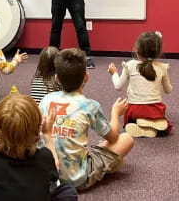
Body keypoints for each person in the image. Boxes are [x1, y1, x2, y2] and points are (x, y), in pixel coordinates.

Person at [39, 48, 134, 189]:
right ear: (86, 76)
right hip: (77, 179)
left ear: (57, 79)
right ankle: (105, 166)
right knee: (127, 139)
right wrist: (115, 113)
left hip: (46, 176)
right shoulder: (89, 106)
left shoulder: (46, 99)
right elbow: (113, 137)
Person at [0, 94, 78, 201]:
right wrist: (47, 135)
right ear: (37, 130)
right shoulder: (45, 156)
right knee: (68, 191)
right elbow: (55, 170)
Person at [108, 31, 173, 138]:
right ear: (158, 51)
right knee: (161, 119)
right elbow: (168, 90)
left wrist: (114, 73)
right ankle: (152, 125)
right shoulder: (162, 67)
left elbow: (118, 86)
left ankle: (139, 124)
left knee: (133, 117)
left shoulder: (130, 65)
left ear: (136, 50)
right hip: (155, 109)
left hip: (135, 110)